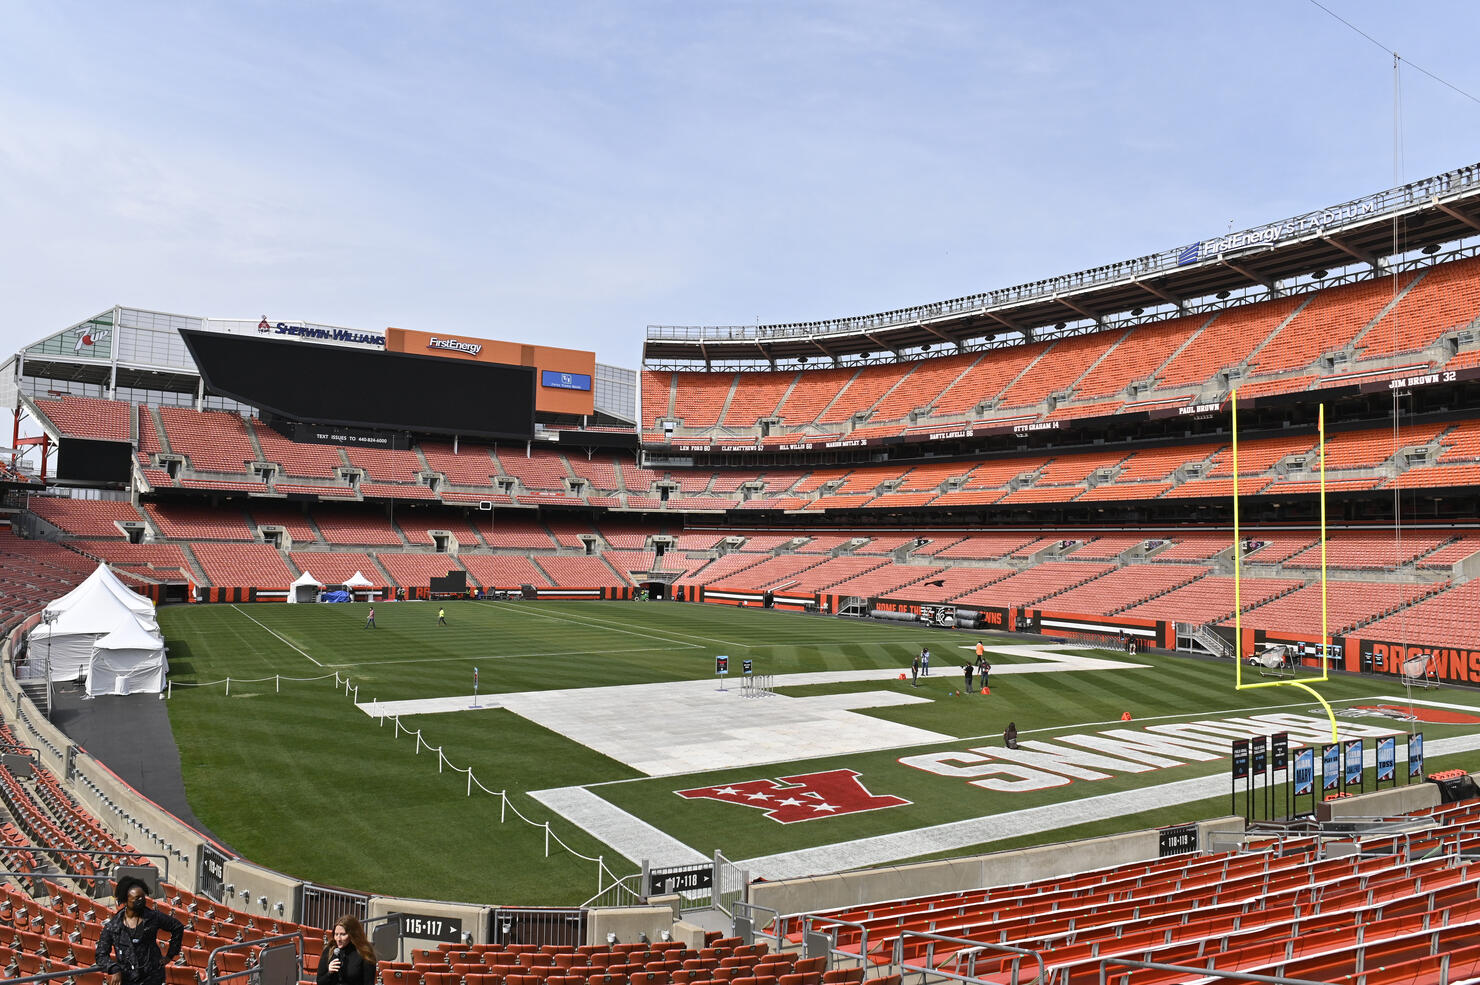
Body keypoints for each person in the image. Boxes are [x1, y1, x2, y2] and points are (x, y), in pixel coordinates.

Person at [97, 876, 184, 985]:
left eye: (143, 897)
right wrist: (114, 969)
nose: (142, 900)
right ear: (126, 899)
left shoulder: (153, 917)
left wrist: (170, 955)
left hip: (152, 977)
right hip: (128, 979)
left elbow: (177, 927)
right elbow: (101, 955)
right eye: (137, 898)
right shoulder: (113, 926)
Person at [317, 914, 377, 985]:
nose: (338, 939)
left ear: (352, 934)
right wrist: (329, 973)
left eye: (343, 934)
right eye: (336, 934)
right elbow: (320, 982)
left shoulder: (364, 953)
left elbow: (369, 982)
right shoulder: (329, 950)